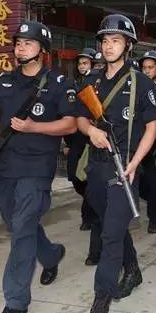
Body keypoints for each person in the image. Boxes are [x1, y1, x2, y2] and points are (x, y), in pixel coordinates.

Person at [0, 21, 75, 313]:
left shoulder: (58, 82)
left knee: (21, 227)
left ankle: (15, 300)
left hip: (37, 167)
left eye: (27, 43)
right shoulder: (4, 81)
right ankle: (52, 254)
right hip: (6, 165)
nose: (20, 48)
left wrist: (34, 127)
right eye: (18, 43)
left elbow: (69, 124)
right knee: (16, 223)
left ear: (42, 51)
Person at [75, 14, 156, 313]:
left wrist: (136, 162)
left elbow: (152, 126)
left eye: (116, 41)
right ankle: (134, 269)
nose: (109, 46)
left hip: (124, 168)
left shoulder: (143, 83)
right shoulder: (92, 82)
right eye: (105, 41)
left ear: (128, 45)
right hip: (96, 167)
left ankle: (100, 304)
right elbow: (80, 119)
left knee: (111, 235)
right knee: (109, 223)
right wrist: (91, 133)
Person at [65, 47, 97, 234]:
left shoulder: (98, 85)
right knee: (75, 178)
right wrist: (66, 143)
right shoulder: (73, 85)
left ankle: (89, 216)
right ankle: (93, 204)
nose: (82, 66)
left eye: (86, 63)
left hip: (92, 140)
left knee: (90, 179)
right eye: (80, 63)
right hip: (75, 140)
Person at [137, 50, 156, 233]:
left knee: (155, 182)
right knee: (142, 185)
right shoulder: (138, 89)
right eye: (144, 68)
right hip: (140, 143)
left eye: (150, 67)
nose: (147, 71)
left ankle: (154, 218)